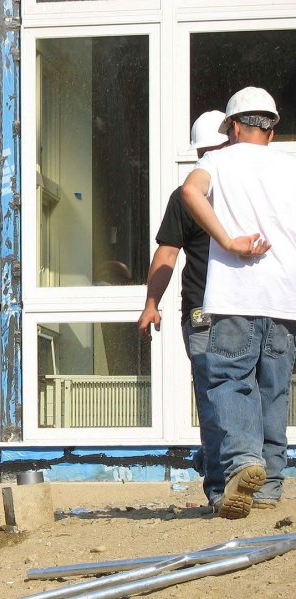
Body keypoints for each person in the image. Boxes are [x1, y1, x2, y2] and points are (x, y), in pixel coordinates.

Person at [181, 86, 296, 519]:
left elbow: (191, 193)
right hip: (285, 300)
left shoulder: (216, 160)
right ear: (272, 126)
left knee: (229, 381)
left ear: (232, 126)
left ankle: (243, 462)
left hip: (235, 295)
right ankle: (267, 487)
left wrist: (228, 240)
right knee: (273, 389)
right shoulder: (290, 167)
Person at [136, 110, 228, 476]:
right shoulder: (252, 190)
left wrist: (151, 304)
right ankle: (252, 475)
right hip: (242, 310)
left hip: (202, 310)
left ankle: (220, 473)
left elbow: (168, 253)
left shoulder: (186, 196)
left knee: (211, 391)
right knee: (251, 390)